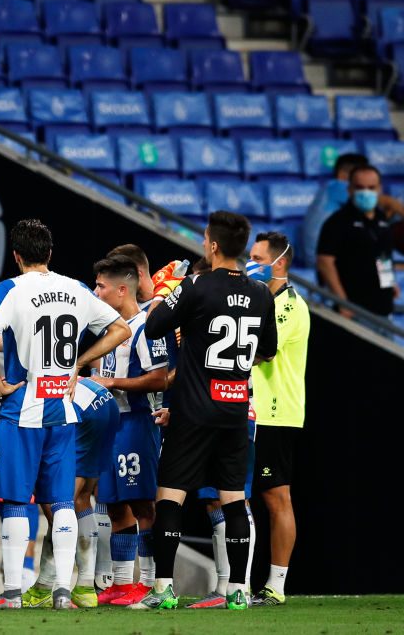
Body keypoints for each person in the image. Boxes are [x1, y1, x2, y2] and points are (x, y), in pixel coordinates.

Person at [0, 219, 131, 609]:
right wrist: (78, 364)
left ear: (16, 256)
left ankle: (13, 593)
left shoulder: (11, 288)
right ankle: (63, 589)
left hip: (23, 407)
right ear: (49, 253)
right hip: (63, 408)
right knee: (63, 501)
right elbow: (120, 330)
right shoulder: (76, 288)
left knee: (15, 499)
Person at [138, 211, 278, 611]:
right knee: (233, 499)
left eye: (204, 239)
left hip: (194, 411)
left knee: (170, 498)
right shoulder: (262, 293)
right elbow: (267, 351)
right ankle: (237, 589)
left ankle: (163, 589)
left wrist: (168, 291)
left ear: (213, 245)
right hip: (235, 410)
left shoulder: (195, 284)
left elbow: (153, 326)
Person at [0, 377, 120, 608]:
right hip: (101, 401)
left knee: (57, 504)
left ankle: (52, 587)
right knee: (80, 498)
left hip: (68, 408)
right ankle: (85, 586)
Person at [91, 255, 169, 608]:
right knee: (114, 504)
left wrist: (113, 382)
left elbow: (158, 377)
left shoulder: (145, 327)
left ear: (122, 289)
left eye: (101, 286)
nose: (96, 291)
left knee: (142, 505)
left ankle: (151, 583)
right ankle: (122, 584)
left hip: (137, 425)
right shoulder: (111, 327)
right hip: (111, 426)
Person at [247, 231, 310, 606]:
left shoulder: (289, 306)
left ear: (279, 262)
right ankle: (240, 582)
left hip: (275, 411)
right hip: (249, 410)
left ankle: (276, 585)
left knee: (276, 498)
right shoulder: (260, 302)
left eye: (257, 257)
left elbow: (261, 352)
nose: (250, 264)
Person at [317, 164, 398, 320]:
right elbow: (325, 262)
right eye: (360, 187)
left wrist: (390, 282)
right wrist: (342, 301)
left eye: (371, 187)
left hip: (384, 308)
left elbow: (383, 254)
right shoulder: (337, 222)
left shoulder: (381, 219)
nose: (366, 192)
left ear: (379, 189)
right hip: (354, 311)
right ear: (350, 189)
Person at [300, 153, 404, 268]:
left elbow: (379, 220)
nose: (366, 190)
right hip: (320, 260)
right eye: (359, 175)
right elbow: (389, 202)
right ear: (342, 175)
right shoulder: (337, 186)